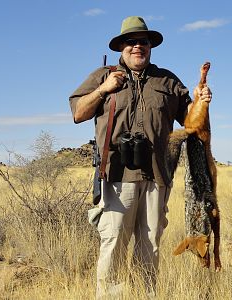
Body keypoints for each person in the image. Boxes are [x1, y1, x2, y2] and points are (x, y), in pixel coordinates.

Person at [69, 16, 212, 299]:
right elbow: (78, 113)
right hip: (116, 178)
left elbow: (193, 125)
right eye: (131, 42)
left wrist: (200, 102)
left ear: (150, 47)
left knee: (150, 250)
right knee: (114, 248)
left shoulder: (167, 81)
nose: (137, 47)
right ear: (121, 46)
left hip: (157, 177)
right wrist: (103, 89)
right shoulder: (102, 75)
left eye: (143, 42)